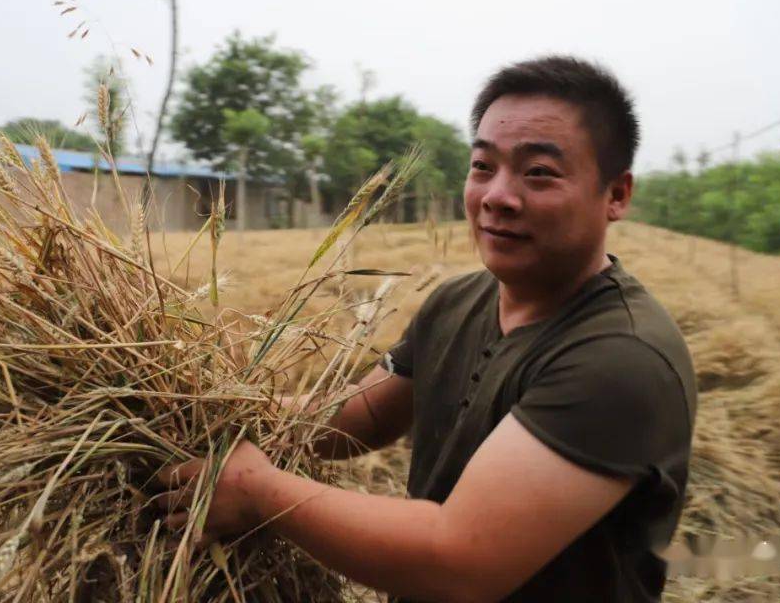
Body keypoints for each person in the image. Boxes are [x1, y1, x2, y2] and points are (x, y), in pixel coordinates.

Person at [157, 56, 697, 602]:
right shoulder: (457, 302)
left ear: (617, 195)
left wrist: (261, 493)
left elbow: (459, 561)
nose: (497, 196)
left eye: (539, 173)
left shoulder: (621, 361)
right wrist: (218, 412)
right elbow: (357, 419)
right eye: (483, 166)